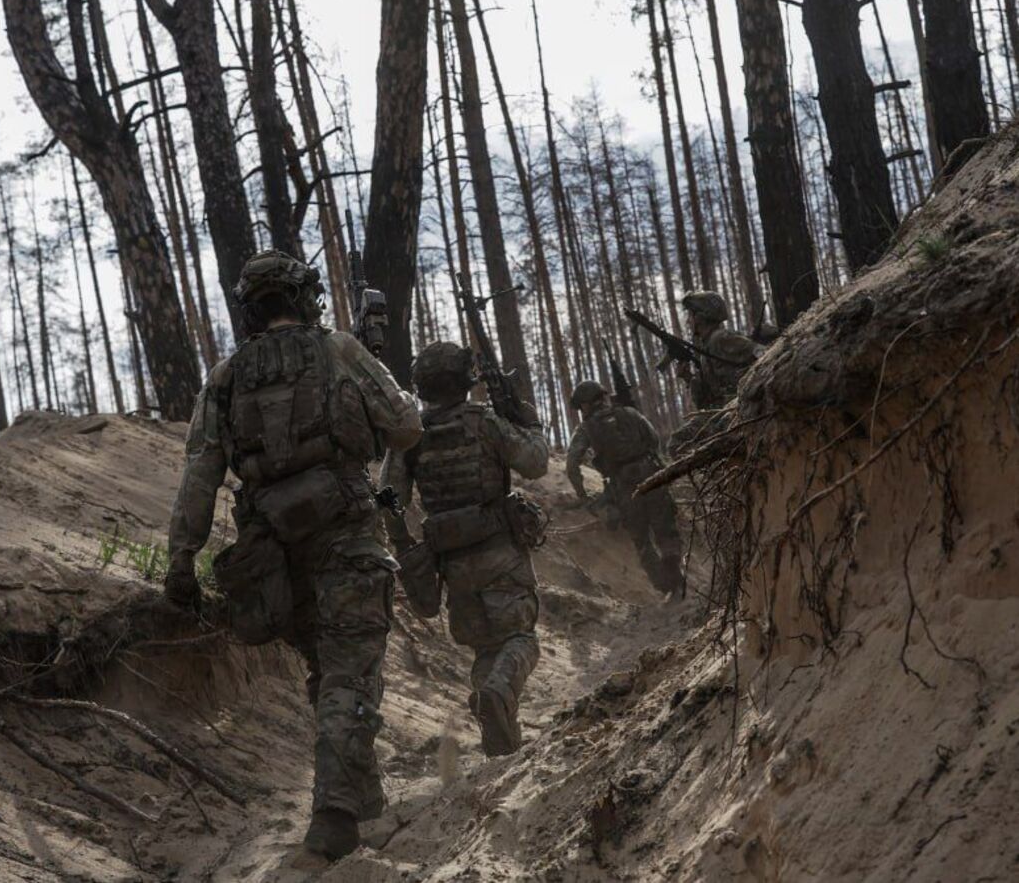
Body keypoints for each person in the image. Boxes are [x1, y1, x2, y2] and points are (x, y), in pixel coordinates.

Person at [164, 250, 422, 861]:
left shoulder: (226, 377)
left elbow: (200, 472)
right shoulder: (338, 349)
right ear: (304, 298)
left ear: (250, 311)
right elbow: (406, 425)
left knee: (325, 673)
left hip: (274, 552)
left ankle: (365, 801)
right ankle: (333, 817)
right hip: (346, 535)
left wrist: (181, 559)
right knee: (349, 673)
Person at [379, 341, 549, 757]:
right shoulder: (484, 421)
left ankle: (501, 738)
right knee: (521, 639)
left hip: (452, 564)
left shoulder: (411, 437)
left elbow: (388, 497)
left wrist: (405, 544)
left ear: (421, 386)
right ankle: (498, 693)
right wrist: (530, 423)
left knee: (484, 647)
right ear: (464, 380)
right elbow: (536, 462)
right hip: (500, 553)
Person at [565, 381, 684, 597]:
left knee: (642, 542)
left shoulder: (586, 428)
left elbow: (572, 464)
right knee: (666, 532)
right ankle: (677, 581)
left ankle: (666, 587)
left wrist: (583, 496)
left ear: (586, 404)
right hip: (652, 476)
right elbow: (653, 439)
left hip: (624, 486)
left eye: (581, 406)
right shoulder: (630, 412)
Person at [669, 290, 761, 454]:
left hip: (737, 409)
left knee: (677, 443)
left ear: (700, 317)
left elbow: (761, 352)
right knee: (679, 442)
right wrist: (688, 378)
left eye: (690, 316)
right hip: (724, 411)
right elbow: (705, 402)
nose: (688, 321)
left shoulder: (720, 338)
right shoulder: (707, 346)